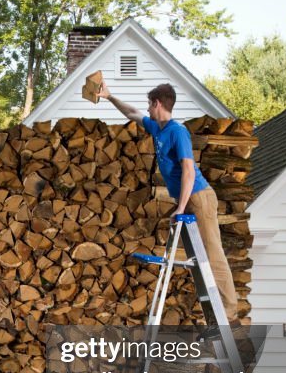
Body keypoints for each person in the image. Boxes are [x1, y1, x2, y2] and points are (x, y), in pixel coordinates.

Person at [96, 80, 240, 327]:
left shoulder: (177, 131)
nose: (147, 109)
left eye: (149, 105)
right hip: (188, 199)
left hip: (199, 197)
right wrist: (109, 97)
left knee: (212, 254)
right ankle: (216, 316)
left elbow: (188, 171)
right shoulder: (157, 128)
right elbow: (132, 113)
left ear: (157, 103)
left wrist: (181, 208)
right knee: (200, 256)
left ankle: (229, 316)